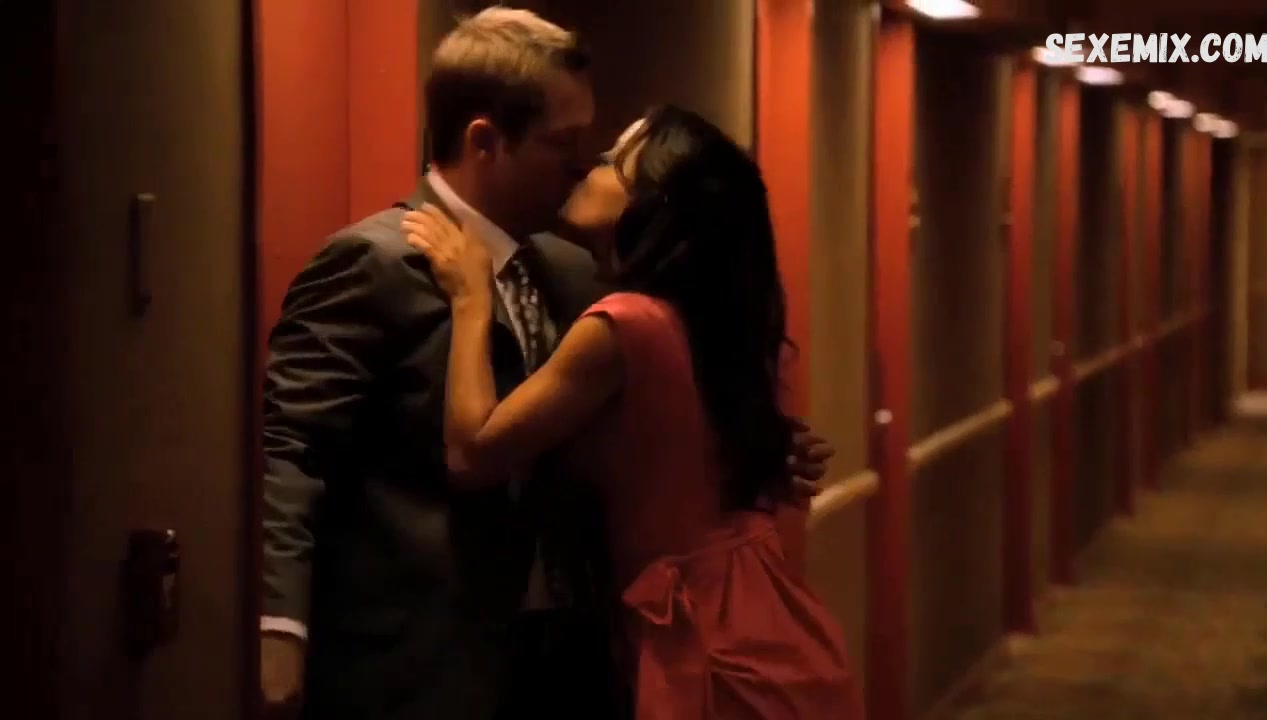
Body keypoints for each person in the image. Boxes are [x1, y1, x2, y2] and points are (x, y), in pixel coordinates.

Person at [259, 8, 833, 720]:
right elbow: (293, 449)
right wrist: (280, 626)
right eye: (564, 142)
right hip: (422, 659)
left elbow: (640, 413)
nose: (582, 162)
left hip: (575, 656)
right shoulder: (373, 261)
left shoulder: (581, 272)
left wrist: (750, 446)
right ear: (485, 141)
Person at [401, 104, 863, 720]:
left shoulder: (625, 324)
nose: (586, 168)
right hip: (759, 610)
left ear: (653, 202)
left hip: (703, 636)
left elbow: (471, 452)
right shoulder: (712, 321)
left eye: (611, 162)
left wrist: (470, 297)